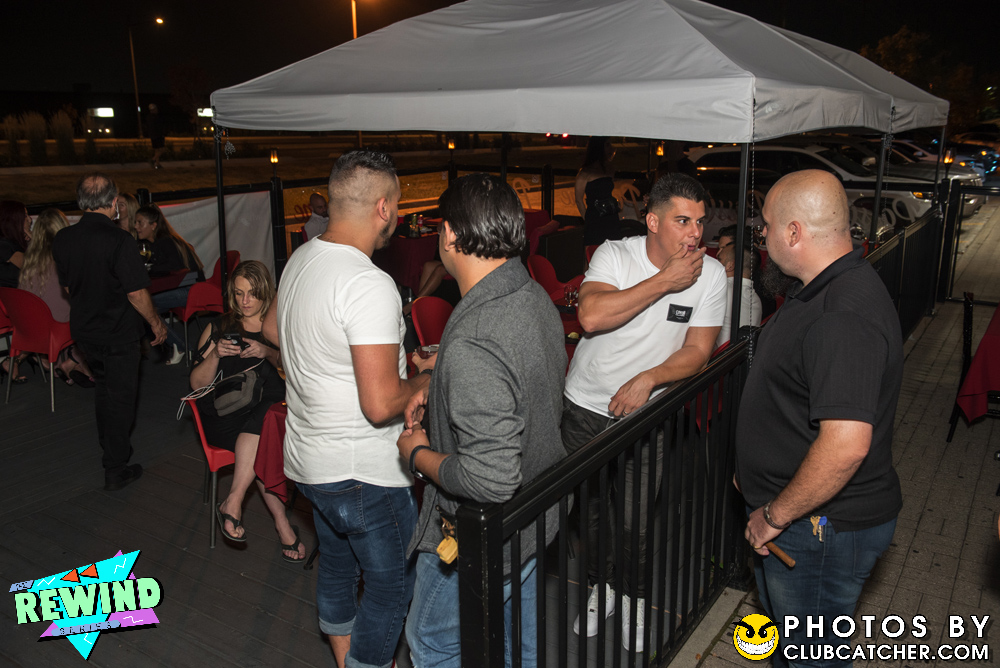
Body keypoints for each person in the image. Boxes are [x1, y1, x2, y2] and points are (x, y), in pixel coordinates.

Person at [396, 174, 567, 668]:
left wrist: (418, 455)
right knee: (516, 640)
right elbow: (515, 381)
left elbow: (490, 479)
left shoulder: (475, 337)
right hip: (534, 517)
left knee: (431, 641)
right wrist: (439, 385)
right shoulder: (531, 294)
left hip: (483, 534)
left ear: (450, 235)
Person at [737, 170, 902, 668]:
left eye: (766, 226)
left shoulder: (841, 314)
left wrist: (774, 515)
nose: (762, 237)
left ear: (794, 232)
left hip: (819, 531)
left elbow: (846, 445)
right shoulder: (819, 288)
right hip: (806, 524)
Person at [272, 149, 430, 668]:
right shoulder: (368, 283)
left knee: (338, 566)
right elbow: (381, 403)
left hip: (309, 463)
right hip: (363, 474)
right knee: (392, 587)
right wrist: (426, 378)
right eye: (398, 205)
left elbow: (274, 329)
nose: (399, 216)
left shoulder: (301, 258)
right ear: (383, 208)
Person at [563, 173, 728, 652]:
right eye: (682, 221)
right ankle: (600, 587)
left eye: (700, 221)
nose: (695, 233)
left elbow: (698, 352)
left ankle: (633, 596)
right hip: (586, 406)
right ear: (653, 221)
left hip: (647, 414)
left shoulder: (712, 275)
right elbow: (591, 316)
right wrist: (664, 282)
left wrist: (649, 378)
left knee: (635, 519)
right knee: (590, 514)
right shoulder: (616, 254)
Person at [52, 173, 168, 491]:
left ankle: (111, 447)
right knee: (121, 399)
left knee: (104, 389)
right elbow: (136, 293)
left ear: (81, 202)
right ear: (114, 202)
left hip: (85, 332)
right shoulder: (120, 240)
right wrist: (156, 323)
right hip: (118, 333)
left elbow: (67, 287)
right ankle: (115, 467)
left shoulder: (63, 239)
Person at [188, 261, 302, 561]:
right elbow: (196, 384)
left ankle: (233, 503)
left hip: (266, 416)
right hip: (225, 417)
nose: (245, 301)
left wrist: (268, 352)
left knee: (266, 422)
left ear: (266, 293)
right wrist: (215, 354)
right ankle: (280, 524)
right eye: (239, 293)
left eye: (252, 293)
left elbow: (297, 371)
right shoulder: (219, 327)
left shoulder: (277, 328)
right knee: (266, 433)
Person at [18, 208, 94, 387]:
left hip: (33, 327)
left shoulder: (29, 260)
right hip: (60, 326)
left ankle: (71, 363)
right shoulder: (66, 258)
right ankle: (74, 360)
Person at [134, 204, 204, 364]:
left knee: (145, 306)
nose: (136, 227)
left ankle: (180, 346)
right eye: (135, 223)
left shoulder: (165, 243)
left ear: (153, 226)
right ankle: (176, 344)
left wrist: (149, 268)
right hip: (186, 288)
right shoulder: (156, 243)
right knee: (145, 309)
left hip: (193, 290)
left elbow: (174, 269)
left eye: (140, 222)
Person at [0, 200, 32, 383]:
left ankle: (15, 361)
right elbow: (34, 268)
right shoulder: (4, 245)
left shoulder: (14, 244)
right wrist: (34, 241)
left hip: (19, 303)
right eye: (25, 215)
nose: (30, 220)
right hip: (9, 308)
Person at [715, 239, 762, 348]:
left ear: (730, 266)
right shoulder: (756, 299)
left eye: (719, 259)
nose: (715, 263)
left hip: (719, 356)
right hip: (739, 354)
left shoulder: (722, 291)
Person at [575, 136, 621, 245]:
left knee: (613, 247)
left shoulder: (609, 168)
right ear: (599, 147)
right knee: (595, 248)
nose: (611, 147)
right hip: (595, 217)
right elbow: (578, 200)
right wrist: (588, 219)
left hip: (611, 216)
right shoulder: (585, 172)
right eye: (607, 145)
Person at [147, 104, 165, 169]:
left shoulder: (149, 117)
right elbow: (159, 127)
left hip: (152, 136)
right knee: (162, 150)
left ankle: (157, 164)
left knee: (156, 150)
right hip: (158, 135)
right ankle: (153, 160)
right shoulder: (156, 117)